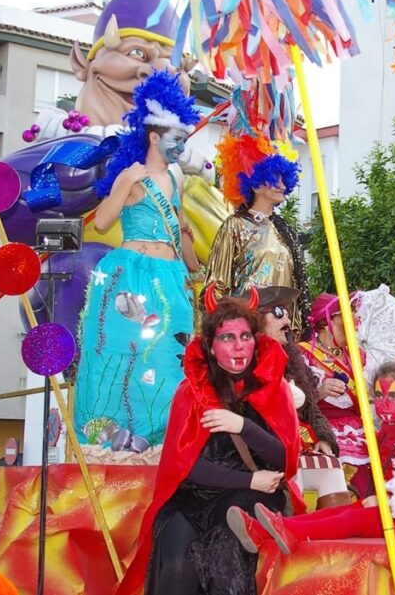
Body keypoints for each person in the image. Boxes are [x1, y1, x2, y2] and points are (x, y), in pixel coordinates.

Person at [116, 289, 304, 595]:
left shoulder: (274, 388)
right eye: (227, 337)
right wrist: (251, 478)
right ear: (211, 347)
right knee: (176, 565)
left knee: (225, 557)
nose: (239, 345)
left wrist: (243, 426)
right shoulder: (190, 392)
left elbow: (284, 458)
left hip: (251, 497)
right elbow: (185, 465)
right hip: (197, 494)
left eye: (245, 336)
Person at [73, 70, 201, 462]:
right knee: (123, 354)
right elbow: (101, 223)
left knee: (170, 359)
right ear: (154, 137)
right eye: (177, 139)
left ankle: (164, 439)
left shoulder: (175, 182)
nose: (181, 147)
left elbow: (185, 247)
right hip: (133, 274)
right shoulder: (134, 175)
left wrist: (190, 248)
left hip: (170, 275)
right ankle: (113, 438)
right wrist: (124, 181)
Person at [227, 356, 395, 553]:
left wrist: (385, 500)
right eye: (378, 395)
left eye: (393, 396)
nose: (384, 403)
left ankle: (285, 531)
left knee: (350, 518)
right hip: (385, 508)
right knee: (334, 512)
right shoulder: (385, 432)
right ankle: (265, 530)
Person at [204, 93, 312, 338]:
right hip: (247, 329)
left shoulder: (285, 229)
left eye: (285, 180)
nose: (282, 186)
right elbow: (217, 284)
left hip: (281, 330)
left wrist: (294, 328)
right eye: (275, 179)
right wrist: (228, 328)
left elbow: (295, 284)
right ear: (254, 184)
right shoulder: (235, 226)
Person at [256, 285, 353, 510]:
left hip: (297, 443)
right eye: (278, 313)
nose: (287, 318)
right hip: (264, 451)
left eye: (287, 312)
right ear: (257, 320)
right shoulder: (247, 359)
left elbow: (310, 407)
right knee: (290, 468)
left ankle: (333, 538)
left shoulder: (294, 359)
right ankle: (290, 530)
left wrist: (323, 438)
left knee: (331, 469)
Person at [298, 293, 369, 472]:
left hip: (361, 430)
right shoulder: (302, 354)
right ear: (326, 322)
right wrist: (319, 392)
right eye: (348, 312)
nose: (355, 318)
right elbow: (288, 401)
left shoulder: (359, 355)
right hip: (321, 431)